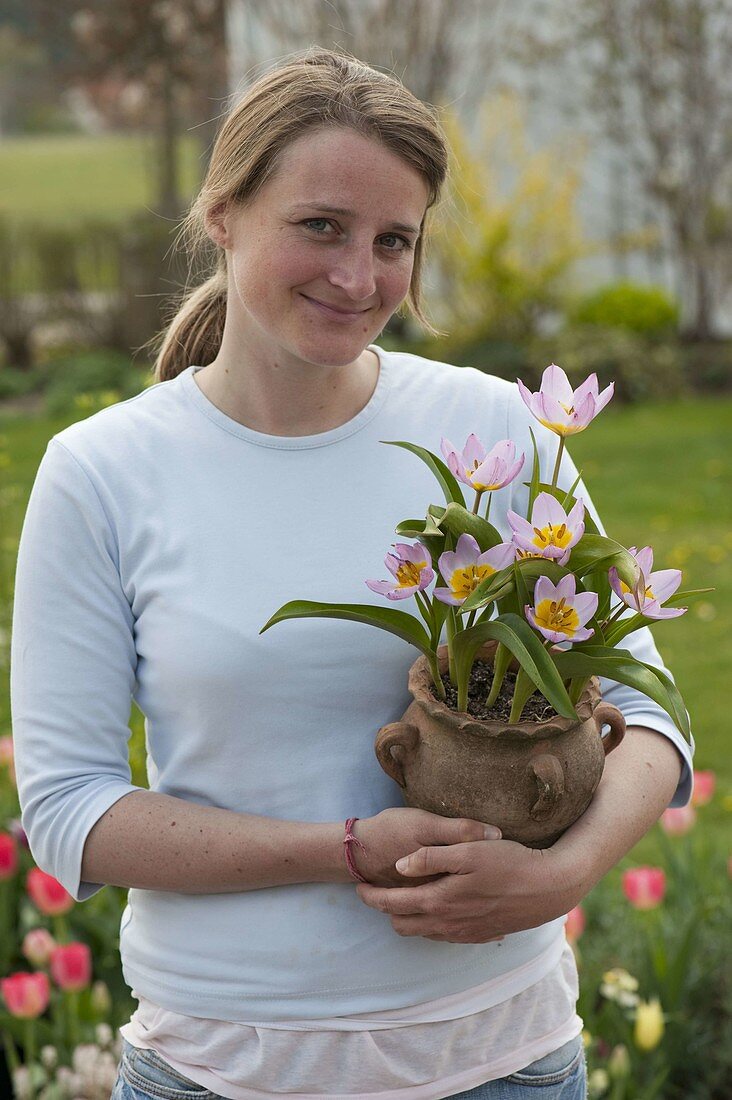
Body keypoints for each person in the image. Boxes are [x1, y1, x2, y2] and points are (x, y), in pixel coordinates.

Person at [10, 46, 693, 1100]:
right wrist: (345, 846)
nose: (359, 276)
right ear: (225, 212)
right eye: (321, 226)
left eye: (394, 242)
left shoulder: (496, 429)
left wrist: (559, 873)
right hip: (223, 1065)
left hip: (501, 1060)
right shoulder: (105, 473)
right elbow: (70, 814)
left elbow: (649, 706)